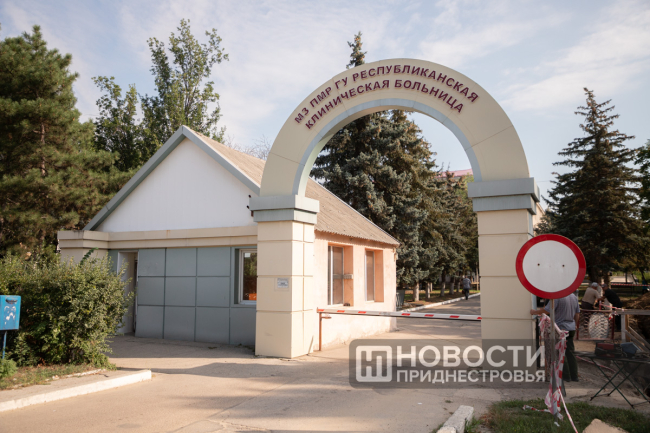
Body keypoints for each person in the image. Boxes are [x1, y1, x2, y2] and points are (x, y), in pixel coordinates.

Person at [530, 293, 580, 383]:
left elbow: (547, 310)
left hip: (560, 328)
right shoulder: (573, 297)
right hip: (571, 328)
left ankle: (566, 376)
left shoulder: (557, 297)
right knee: (570, 352)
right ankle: (574, 376)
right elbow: (577, 313)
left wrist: (534, 312)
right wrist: (575, 325)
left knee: (560, 352)